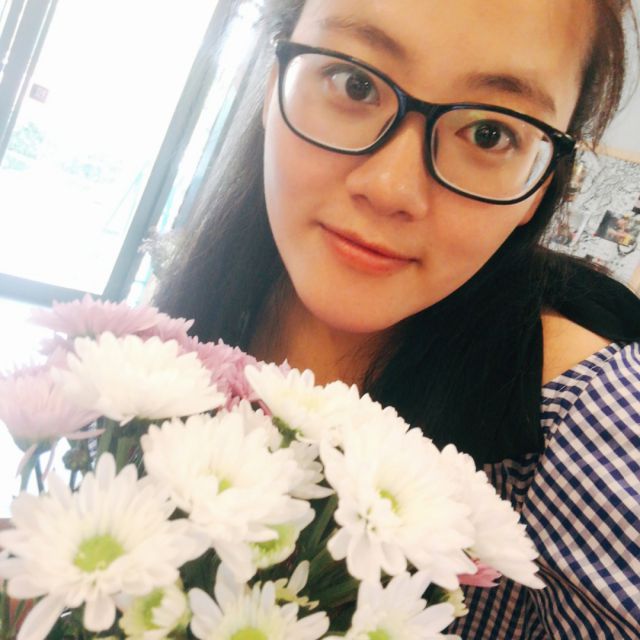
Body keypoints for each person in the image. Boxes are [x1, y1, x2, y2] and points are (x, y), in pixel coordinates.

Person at [155, 0, 640, 637]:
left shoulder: (597, 426)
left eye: (489, 133)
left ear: (541, 185)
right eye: (355, 83)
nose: (390, 188)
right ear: (274, 86)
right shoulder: (200, 314)